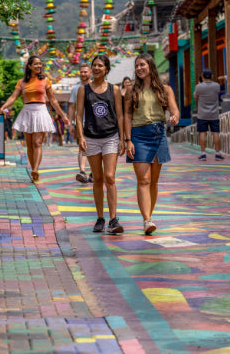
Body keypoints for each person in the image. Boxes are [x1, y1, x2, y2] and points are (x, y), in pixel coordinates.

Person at [123, 53, 180, 235]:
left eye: (142, 65)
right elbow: (128, 116)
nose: (139, 68)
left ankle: (149, 216)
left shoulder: (165, 89)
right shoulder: (132, 91)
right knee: (144, 179)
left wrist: (174, 117)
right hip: (139, 135)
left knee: (154, 181)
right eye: (137, 66)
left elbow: (174, 110)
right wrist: (128, 139)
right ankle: (147, 220)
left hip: (158, 133)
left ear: (150, 67)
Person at [0, 55, 69, 182]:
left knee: (37, 142)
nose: (39, 66)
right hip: (27, 112)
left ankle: (36, 169)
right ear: (29, 66)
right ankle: (33, 170)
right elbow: (13, 97)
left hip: (40, 112)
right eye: (36, 64)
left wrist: (63, 115)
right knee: (29, 144)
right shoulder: (21, 82)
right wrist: (3, 107)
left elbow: (53, 100)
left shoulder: (45, 81)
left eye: (40, 64)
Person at [76, 55, 126, 234]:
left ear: (106, 69)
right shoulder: (84, 90)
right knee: (97, 179)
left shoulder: (114, 90)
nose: (96, 68)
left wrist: (122, 138)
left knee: (110, 177)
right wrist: (80, 136)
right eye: (94, 65)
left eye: (100, 65)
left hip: (110, 137)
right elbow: (79, 115)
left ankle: (113, 219)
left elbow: (120, 115)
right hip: (91, 138)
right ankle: (100, 218)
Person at [68, 64, 93, 183]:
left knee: (95, 147)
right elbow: (71, 107)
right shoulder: (75, 89)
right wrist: (69, 123)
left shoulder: (96, 86)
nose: (83, 74)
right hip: (80, 122)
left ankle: (94, 171)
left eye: (85, 72)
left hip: (95, 122)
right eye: (81, 72)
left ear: (90, 73)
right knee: (82, 146)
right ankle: (82, 172)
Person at [195, 68, 223, 161]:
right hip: (214, 114)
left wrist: (199, 85)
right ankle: (218, 154)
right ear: (212, 76)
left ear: (202, 76)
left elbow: (195, 96)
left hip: (202, 115)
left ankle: (203, 154)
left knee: (202, 133)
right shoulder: (217, 86)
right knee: (216, 133)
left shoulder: (199, 87)